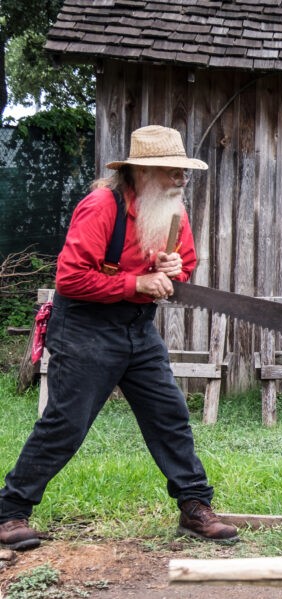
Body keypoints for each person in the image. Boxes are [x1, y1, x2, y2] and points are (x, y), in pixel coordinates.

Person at [0, 125, 239, 551]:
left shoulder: (171, 209)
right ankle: (9, 512)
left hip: (136, 328)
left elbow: (185, 261)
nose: (180, 179)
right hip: (85, 328)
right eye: (170, 171)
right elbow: (70, 278)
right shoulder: (100, 206)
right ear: (141, 171)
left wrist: (173, 273)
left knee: (169, 414)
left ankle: (195, 505)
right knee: (66, 423)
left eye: (182, 171)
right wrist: (136, 285)